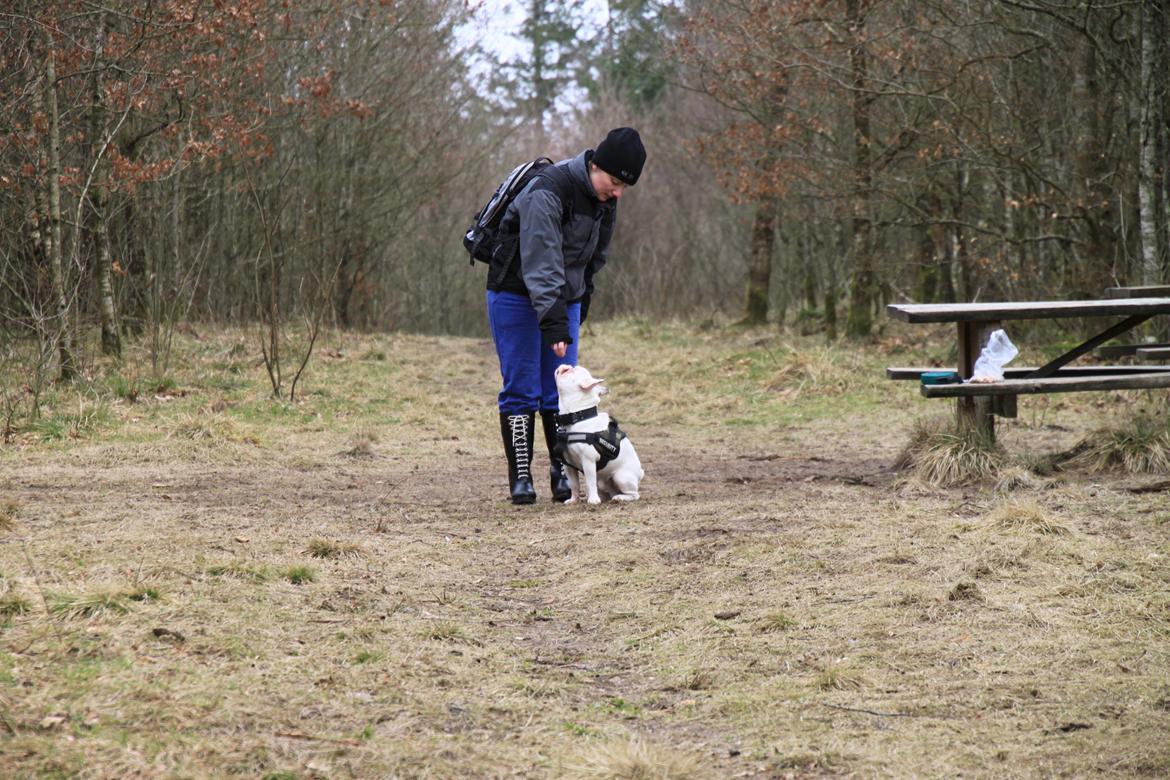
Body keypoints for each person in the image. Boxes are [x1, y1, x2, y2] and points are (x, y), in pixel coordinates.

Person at [486, 127, 646, 504]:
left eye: (625, 187)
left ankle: (563, 473)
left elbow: (595, 257)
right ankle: (521, 478)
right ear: (596, 165)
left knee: (560, 389)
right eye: (615, 181)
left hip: (563, 297)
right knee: (521, 387)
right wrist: (555, 318)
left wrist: (583, 296)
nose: (618, 192)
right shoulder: (548, 189)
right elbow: (540, 261)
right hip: (514, 293)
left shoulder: (605, 198)